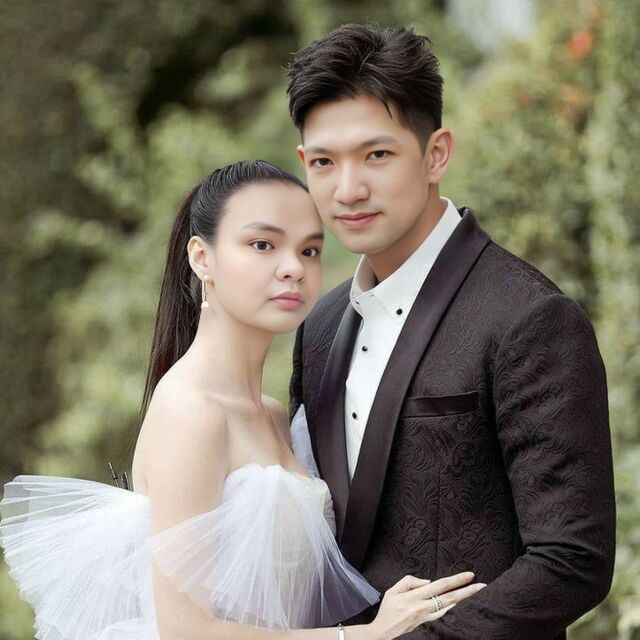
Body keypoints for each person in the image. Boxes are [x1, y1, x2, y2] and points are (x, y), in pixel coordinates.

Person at [0, 160, 485, 640]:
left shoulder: (272, 414)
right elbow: (185, 630)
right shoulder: (192, 411)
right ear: (202, 258)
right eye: (262, 245)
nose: (294, 268)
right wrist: (368, 635)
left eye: (310, 250)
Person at [287, 24, 616, 640]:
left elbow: (572, 559)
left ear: (436, 153)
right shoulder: (318, 328)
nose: (348, 189)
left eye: (377, 155)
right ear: (305, 164)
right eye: (326, 162)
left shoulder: (529, 317)